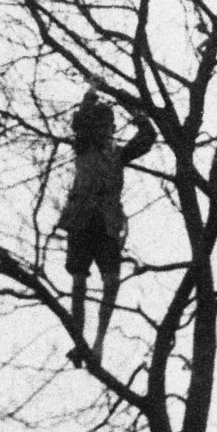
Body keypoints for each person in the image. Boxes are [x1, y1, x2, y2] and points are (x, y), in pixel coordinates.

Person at [57, 87, 155, 368]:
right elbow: (81, 122)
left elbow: (147, 137)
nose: (108, 131)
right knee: (79, 281)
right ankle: (79, 342)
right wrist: (91, 93)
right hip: (81, 219)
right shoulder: (84, 146)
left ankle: (98, 342)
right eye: (103, 126)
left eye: (110, 126)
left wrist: (135, 110)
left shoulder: (118, 155)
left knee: (111, 282)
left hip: (108, 223)